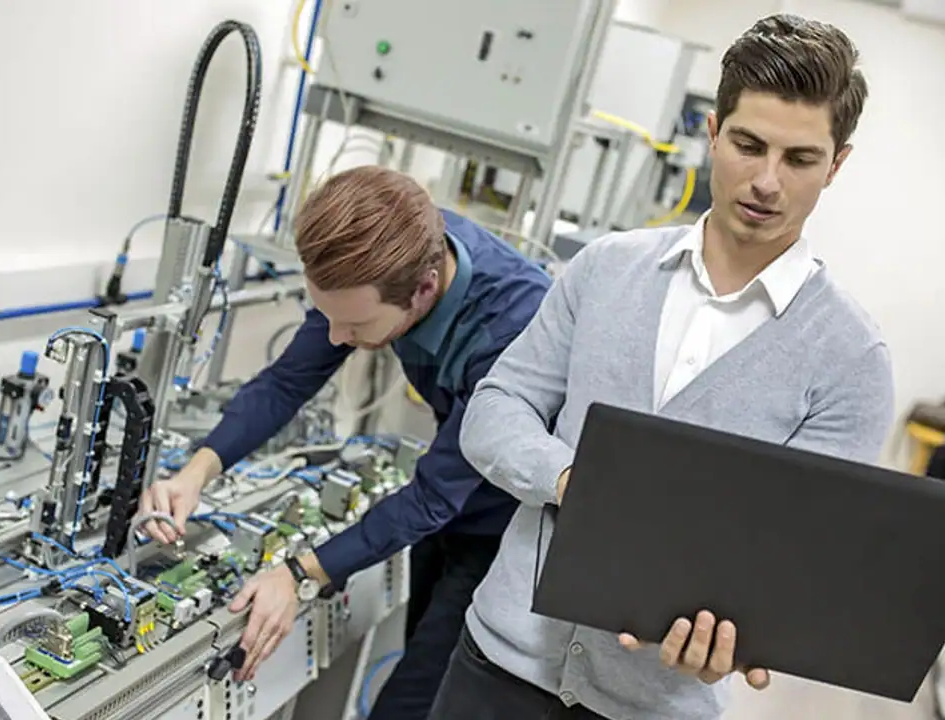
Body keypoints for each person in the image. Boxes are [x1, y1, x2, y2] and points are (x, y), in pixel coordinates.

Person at [434, 14, 895, 720]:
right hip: (498, 664)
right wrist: (572, 482)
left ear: (836, 165)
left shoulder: (851, 359)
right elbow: (497, 409)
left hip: (657, 705)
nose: (766, 182)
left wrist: (739, 636)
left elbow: (800, 560)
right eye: (748, 145)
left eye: (800, 159)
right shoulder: (605, 270)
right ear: (713, 134)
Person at [139, 165, 551, 718]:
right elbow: (289, 380)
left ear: (425, 289)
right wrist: (197, 471)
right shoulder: (393, 245)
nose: (336, 339)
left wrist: (298, 575)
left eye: (354, 326)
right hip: (448, 507)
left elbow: (432, 496)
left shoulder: (514, 323)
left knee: (413, 705)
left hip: (508, 529)